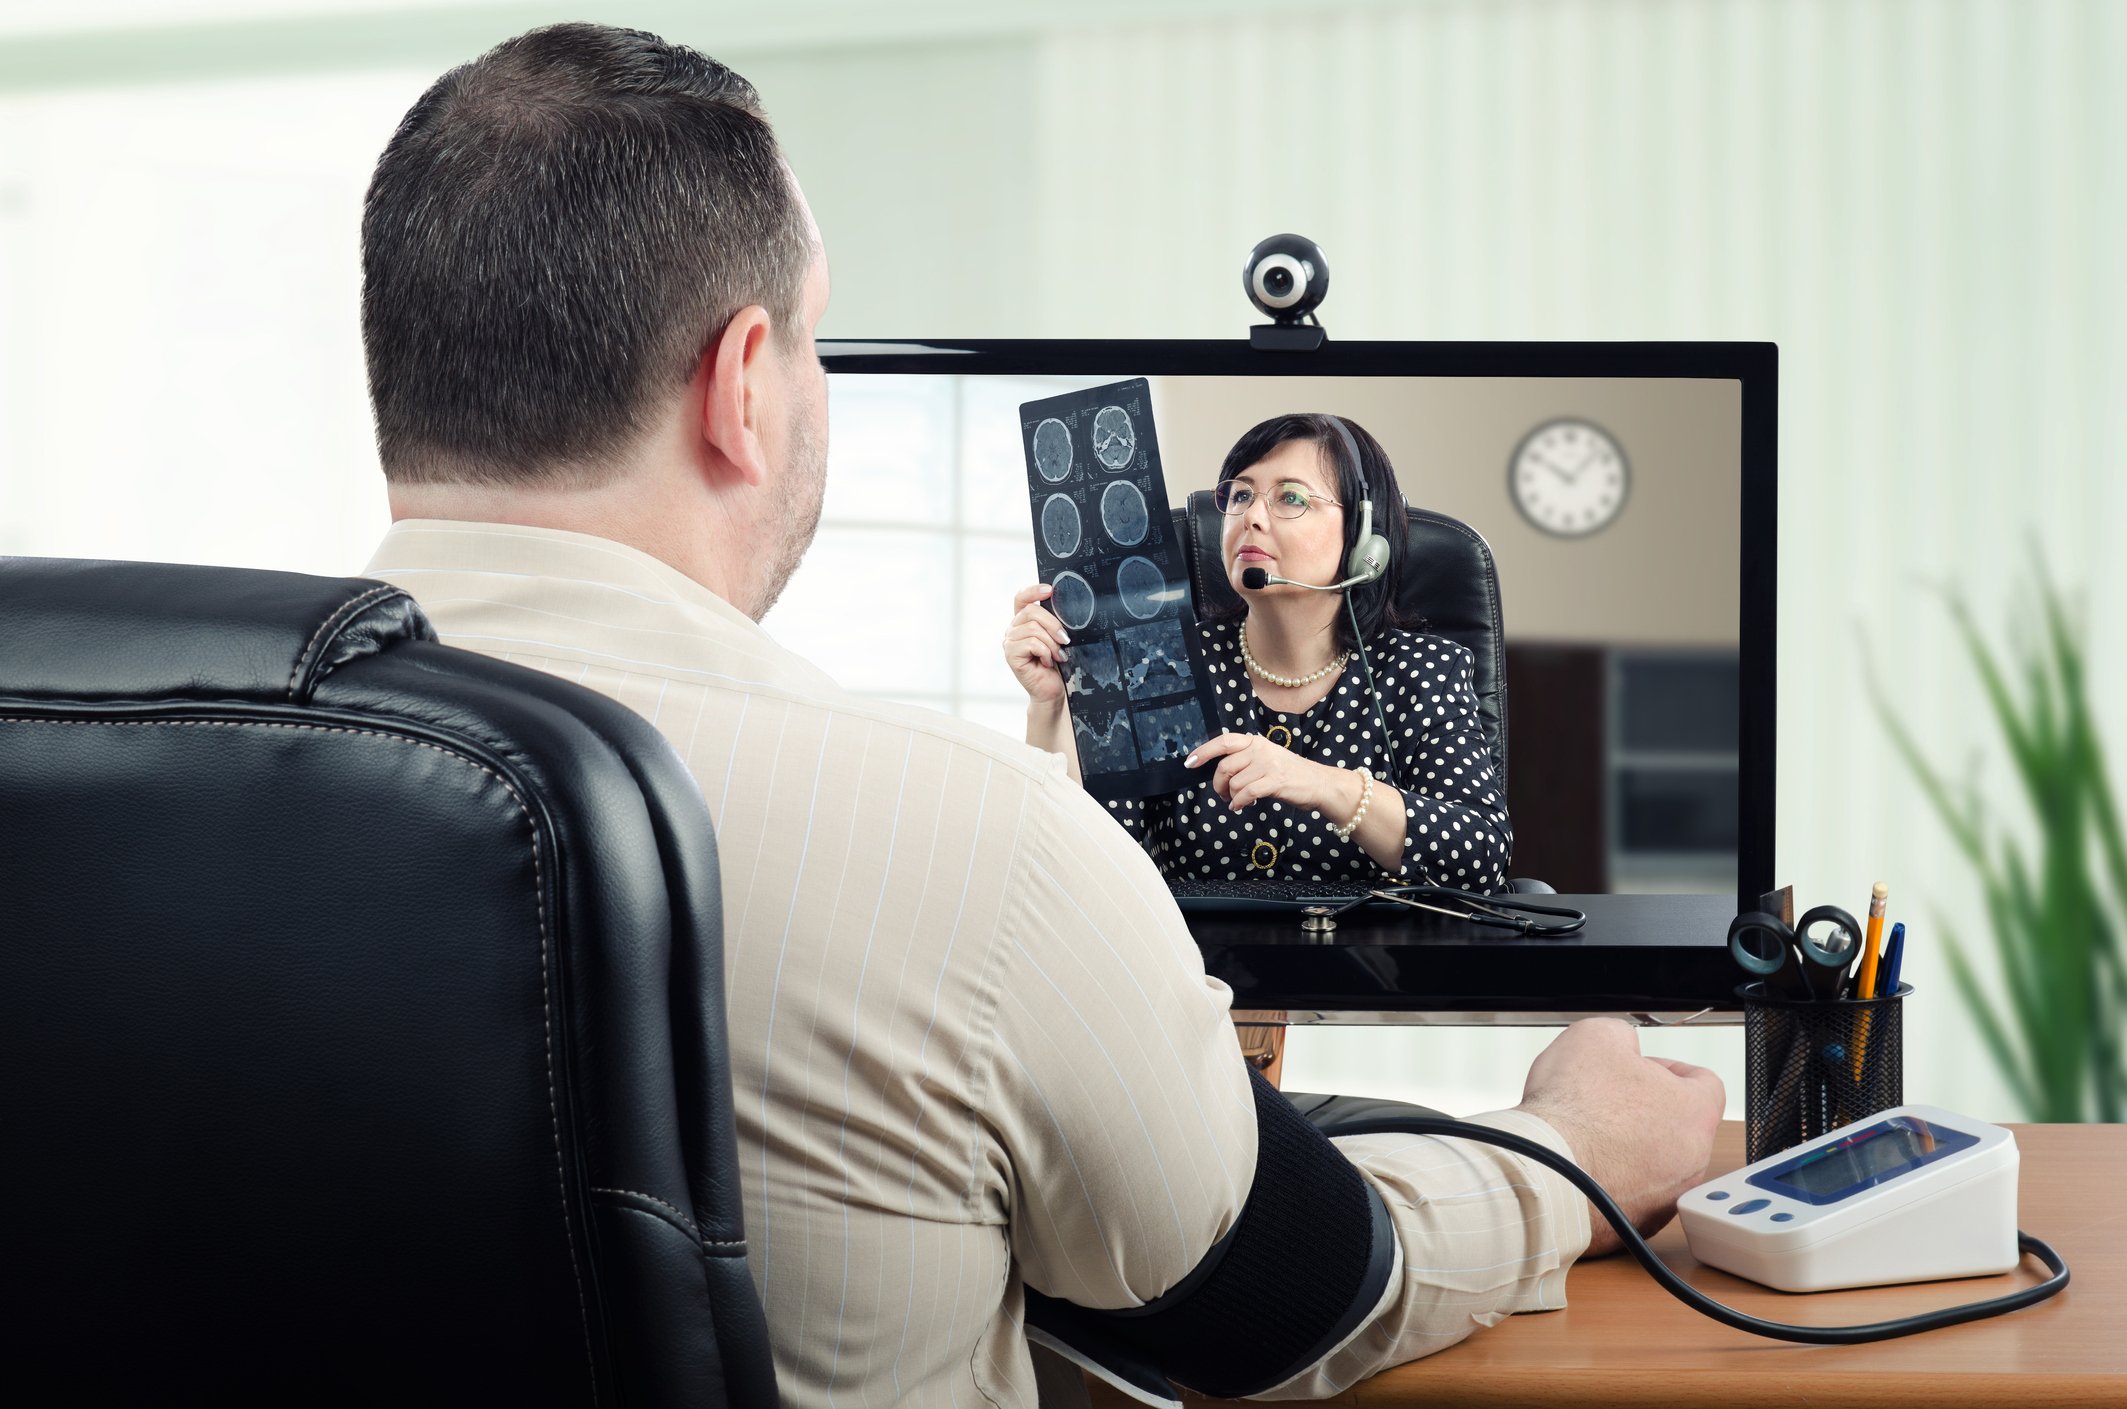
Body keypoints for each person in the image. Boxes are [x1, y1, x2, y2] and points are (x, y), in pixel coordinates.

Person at [354, 23, 1723, 1407]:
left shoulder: (130, 801)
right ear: (739, 384)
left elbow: (1462, 846)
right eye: (815, 339)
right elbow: (1277, 1296)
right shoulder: (983, 834)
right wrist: (1570, 1150)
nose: (1251, 520)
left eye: (1291, 498)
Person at [1008, 413, 1513, 890]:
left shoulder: (1421, 670)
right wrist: (1051, 705)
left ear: (1362, 537)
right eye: (1240, 494)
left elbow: (1481, 858)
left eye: (1291, 498)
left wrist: (1321, 785)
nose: (1251, 516)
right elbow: (1081, 862)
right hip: (1198, 971)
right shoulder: (1161, 664)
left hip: (1372, 972)